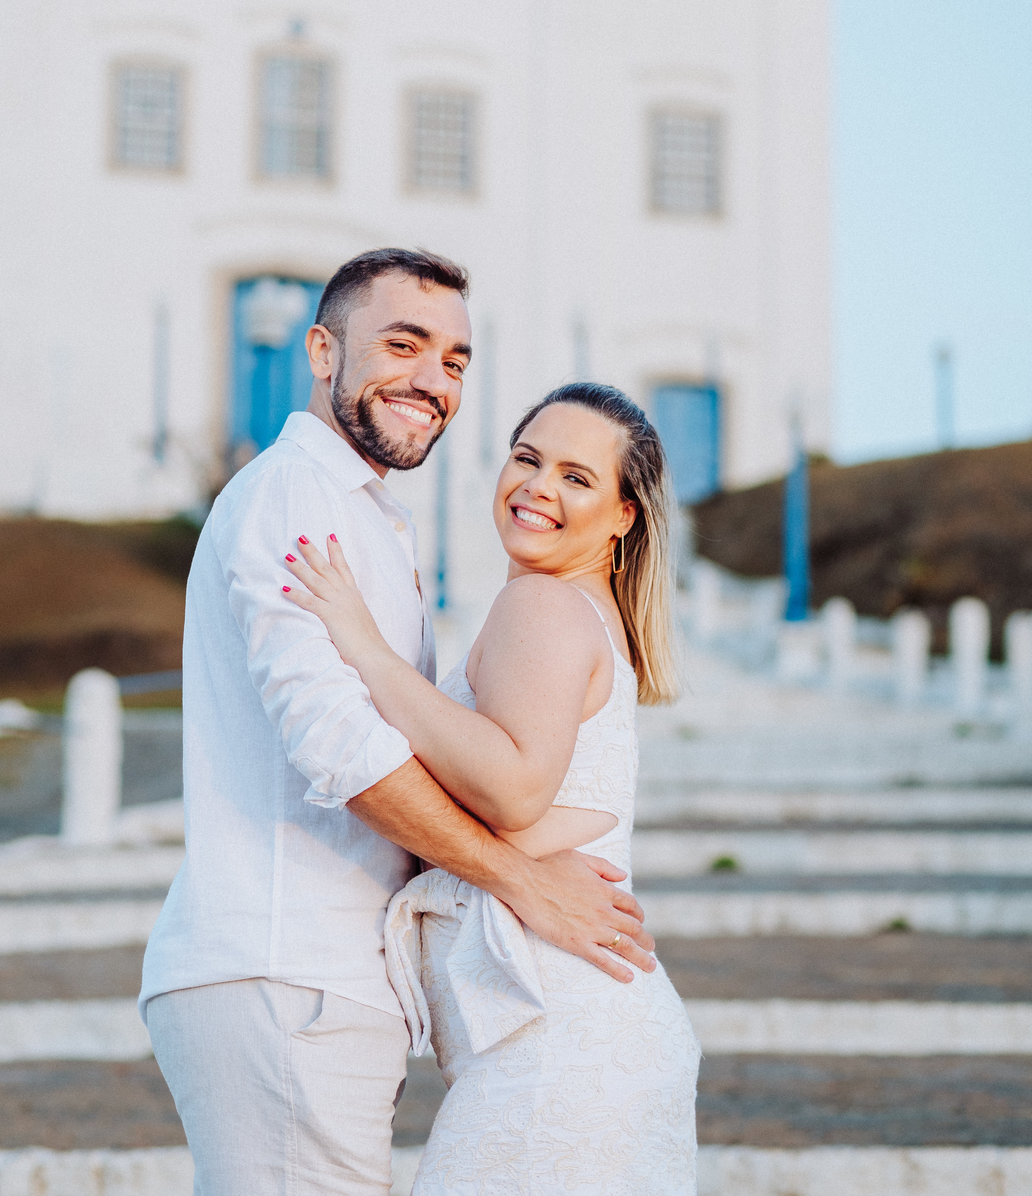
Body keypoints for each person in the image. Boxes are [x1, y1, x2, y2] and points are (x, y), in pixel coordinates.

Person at [140, 250, 658, 1196]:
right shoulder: (297, 495)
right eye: (404, 345)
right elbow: (342, 748)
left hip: (330, 978)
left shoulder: (376, 523)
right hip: (285, 961)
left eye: (455, 361)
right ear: (323, 349)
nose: (432, 379)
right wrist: (521, 879)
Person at [282, 380, 701, 1195]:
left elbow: (511, 790)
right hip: (581, 1038)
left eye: (578, 477)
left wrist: (366, 651)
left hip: (559, 1048)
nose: (539, 487)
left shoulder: (540, 604)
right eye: (527, 458)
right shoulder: (577, 609)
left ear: (623, 516)